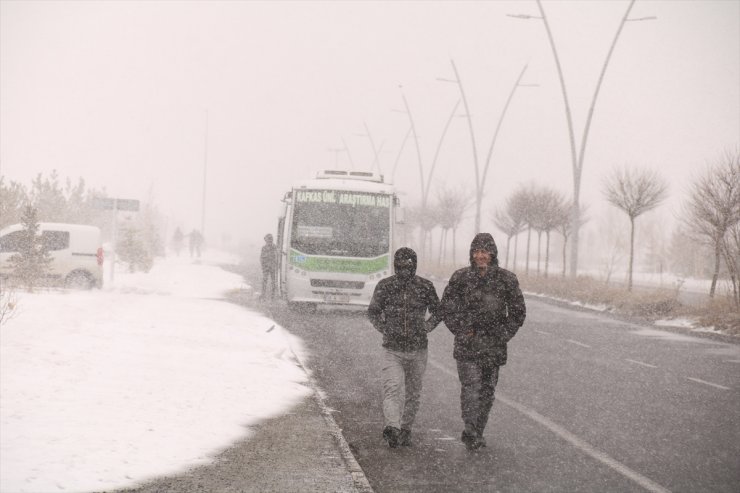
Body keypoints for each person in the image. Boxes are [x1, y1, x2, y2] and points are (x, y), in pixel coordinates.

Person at [439, 233, 526, 450]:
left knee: (487, 391)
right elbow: (447, 308)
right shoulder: (460, 277)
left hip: (494, 347)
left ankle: (478, 430)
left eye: (485, 251)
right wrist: (462, 330)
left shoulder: (507, 279)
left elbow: (518, 313)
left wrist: (503, 334)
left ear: (493, 253)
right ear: (471, 254)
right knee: (471, 387)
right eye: (477, 251)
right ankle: (470, 429)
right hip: (467, 346)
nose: (481, 256)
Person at [367, 247, 441, 448]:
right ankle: (393, 428)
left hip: (418, 350)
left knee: (413, 392)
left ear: (414, 266)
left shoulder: (425, 287)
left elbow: (438, 311)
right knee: (392, 388)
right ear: (395, 266)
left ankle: (406, 429)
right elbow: (373, 312)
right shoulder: (385, 286)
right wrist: (384, 328)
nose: (404, 271)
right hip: (392, 350)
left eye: (408, 266)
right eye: (400, 266)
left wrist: (427, 327)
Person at [260, 234, 278, 299]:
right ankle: (263, 295)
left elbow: (277, 257)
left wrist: (275, 265)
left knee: (273, 282)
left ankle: (272, 296)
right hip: (267, 267)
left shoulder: (275, 247)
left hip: (272, 267)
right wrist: (263, 266)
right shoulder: (264, 248)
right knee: (266, 281)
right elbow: (261, 258)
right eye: (267, 239)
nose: (268, 241)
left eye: (269, 239)